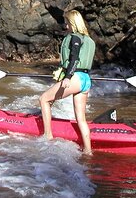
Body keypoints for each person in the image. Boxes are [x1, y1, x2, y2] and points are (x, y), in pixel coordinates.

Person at [38, 10, 96, 154]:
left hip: (75, 77)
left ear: (72, 23)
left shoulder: (75, 38)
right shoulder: (89, 40)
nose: (65, 25)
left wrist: (67, 77)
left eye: (67, 22)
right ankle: (88, 151)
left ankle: (48, 135)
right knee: (81, 119)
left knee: (44, 99)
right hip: (86, 80)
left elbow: (74, 59)